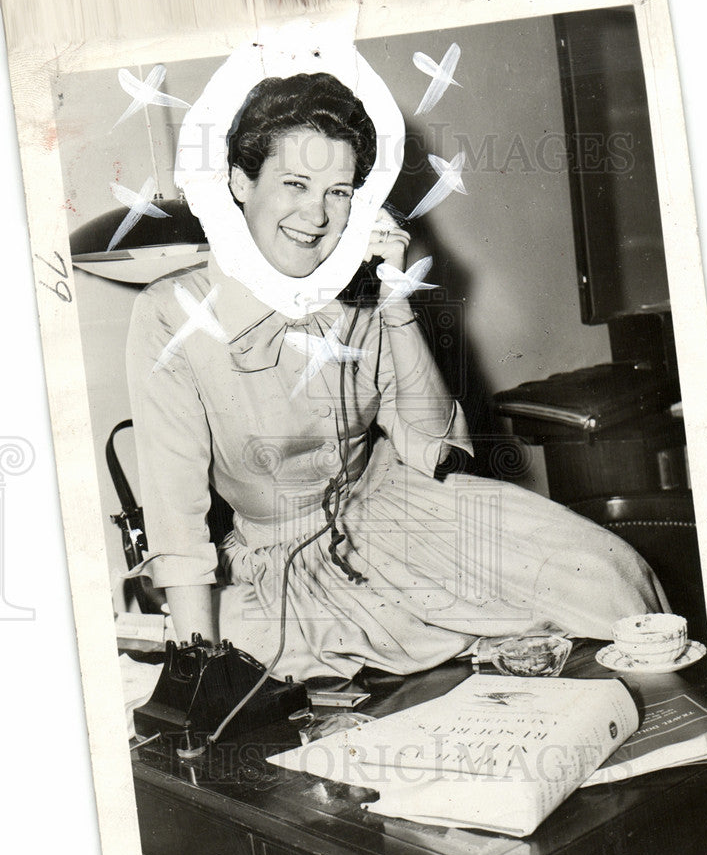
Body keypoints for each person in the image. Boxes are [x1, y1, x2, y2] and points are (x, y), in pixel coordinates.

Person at [126, 71, 668, 682]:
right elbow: (176, 516)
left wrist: (394, 296)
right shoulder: (172, 312)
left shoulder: (358, 290)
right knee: (267, 667)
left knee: (609, 579)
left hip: (397, 515)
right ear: (240, 181)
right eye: (295, 184)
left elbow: (432, 447)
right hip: (278, 562)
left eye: (339, 192)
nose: (317, 215)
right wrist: (200, 672)